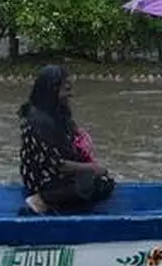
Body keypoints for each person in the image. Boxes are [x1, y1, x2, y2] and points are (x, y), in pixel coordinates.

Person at [18, 65, 114, 214]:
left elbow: (68, 137)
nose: (71, 94)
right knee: (97, 182)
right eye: (66, 90)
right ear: (52, 90)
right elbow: (56, 164)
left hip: (57, 171)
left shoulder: (56, 111)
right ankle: (41, 199)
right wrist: (92, 168)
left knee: (104, 182)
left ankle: (59, 202)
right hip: (42, 177)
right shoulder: (38, 121)